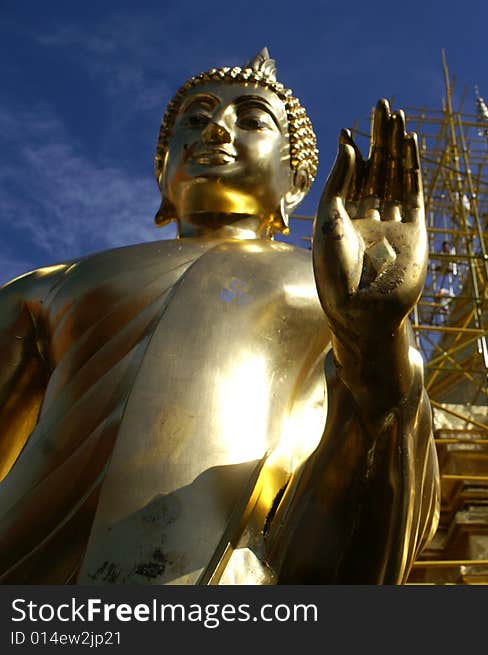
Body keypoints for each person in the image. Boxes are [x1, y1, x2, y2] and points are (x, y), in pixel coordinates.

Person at [0, 49, 439, 585]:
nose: (216, 131)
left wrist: (373, 351)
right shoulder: (54, 287)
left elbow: (375, 502)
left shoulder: (329, 289)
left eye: (252, 120)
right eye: (196, 118)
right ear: (163, 171)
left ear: (296, 183)